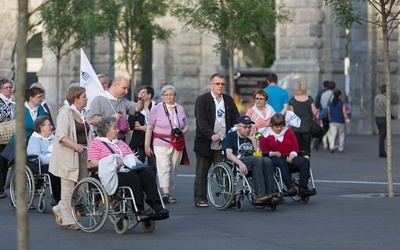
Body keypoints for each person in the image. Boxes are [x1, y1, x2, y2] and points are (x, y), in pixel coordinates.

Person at [88, 116, 169, 218]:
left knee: (146, 173)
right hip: (110, 174)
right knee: (132, 177)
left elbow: (132, 156)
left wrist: (140, 165)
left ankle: (156, 205)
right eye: (114, 128)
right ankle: (139, 208)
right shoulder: (96, 143)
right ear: (106, 131)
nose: (118, 130)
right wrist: (113, 161)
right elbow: (93, 162)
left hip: (126, 169)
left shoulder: (120, 143)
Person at [50, 86, 93, 231]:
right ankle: (68, 220)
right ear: (76, 99)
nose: (87, 99)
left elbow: (88, 135)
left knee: (82, 185)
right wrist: (76, 146)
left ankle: (60, 208)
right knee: (68, 188)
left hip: (83, 154)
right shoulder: (65, 113)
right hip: (68, 155)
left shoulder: (83, 114)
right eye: (84, 96)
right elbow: (61, 136)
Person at [193, 73, 240, 208]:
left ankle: (228, 197)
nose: (220, 86)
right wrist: (211, 134)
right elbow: (201, 121)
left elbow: (236, 117)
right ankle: (200, 198)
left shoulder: (228, 100)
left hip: (223, 142)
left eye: (222, 84)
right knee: (202, 172)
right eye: (217, 84)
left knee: (224, 171)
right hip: (206, 142)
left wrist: (241, 126)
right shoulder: (202, 100)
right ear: (211, 85)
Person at [145, 85, 189, 203]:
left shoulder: (179, 108)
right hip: (160, 142)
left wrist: (182, 132)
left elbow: (186, 125)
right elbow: (149, 128)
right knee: (164, 168)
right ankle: (165, 193)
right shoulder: (157, 108)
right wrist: (147, 145)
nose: (169, 97)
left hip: (177, 142)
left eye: (171, 94)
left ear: (175, 95)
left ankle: (168, 190)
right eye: (166, 95)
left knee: (173, 168)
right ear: (162, 96)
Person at [223, 115, 280, 204]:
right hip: (238, 160)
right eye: (245, 127)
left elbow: (259, 155)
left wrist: (253, 140)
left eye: (249, 127)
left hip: (254, 160)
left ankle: (271, 193)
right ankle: (260, 194)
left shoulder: (253, 136)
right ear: (238, 127)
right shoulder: (231, 136)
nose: (247, 129)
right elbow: (229, 154)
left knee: (267, 160)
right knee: (257, 160)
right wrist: (240, 163)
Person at [259, 114, 316, 196]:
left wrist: (292, 155)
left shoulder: (288, 132)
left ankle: (303, 187)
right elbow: (263, 150)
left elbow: (295, 147)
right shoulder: (266, 133)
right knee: (282, 162)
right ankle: (290, 187)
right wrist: (273, 153)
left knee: (305, 161)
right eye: (276, 126)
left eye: (281, 126)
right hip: (273, 158)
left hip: (289, 156)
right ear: (272, 125)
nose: (279, 129)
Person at [27, 116, 61, 205]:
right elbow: (35, 156)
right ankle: (58, 198)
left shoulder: (54, 138)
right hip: (41, 165)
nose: (52, 127)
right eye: (49, 125)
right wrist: (53, 159)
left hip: (57, 162)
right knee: (55, 172)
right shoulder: (34, 139)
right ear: (42, 128)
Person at [128, 85, 157, 176]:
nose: (141, 95)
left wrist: (147, 127)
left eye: (143, 93)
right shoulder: (136, 108)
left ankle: (152, 186)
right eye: (139, 93)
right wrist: (142, 128)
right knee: (138, 164)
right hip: (139, 141)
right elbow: (130, 124)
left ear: (149, 95)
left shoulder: (156, 107)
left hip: (154, 141)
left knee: (153, 166)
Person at [288, 81, 318, 158]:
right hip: (307, 126)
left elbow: (291, 114)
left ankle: (298, 163)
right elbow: (314, 112)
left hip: (296, 127)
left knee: (297, 148)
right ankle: (306, 164)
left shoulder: (293, 100)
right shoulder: (309, 99)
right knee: (306, 148)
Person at [0, 78, 15, 198]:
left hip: (11, 137)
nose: (9, 89)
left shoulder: (14, 102)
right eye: (6, 87)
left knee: (6, 162)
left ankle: (3, 187)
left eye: (10, 87)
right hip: (0, 136)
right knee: (0, 161)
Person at [374, 85, 387, 158]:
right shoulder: (385, 99)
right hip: (383, 117)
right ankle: (382, 152)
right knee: (382, 136)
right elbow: (387, 109)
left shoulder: (377, 97)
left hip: (377, 117)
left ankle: (381, 151)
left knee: (381, 135)